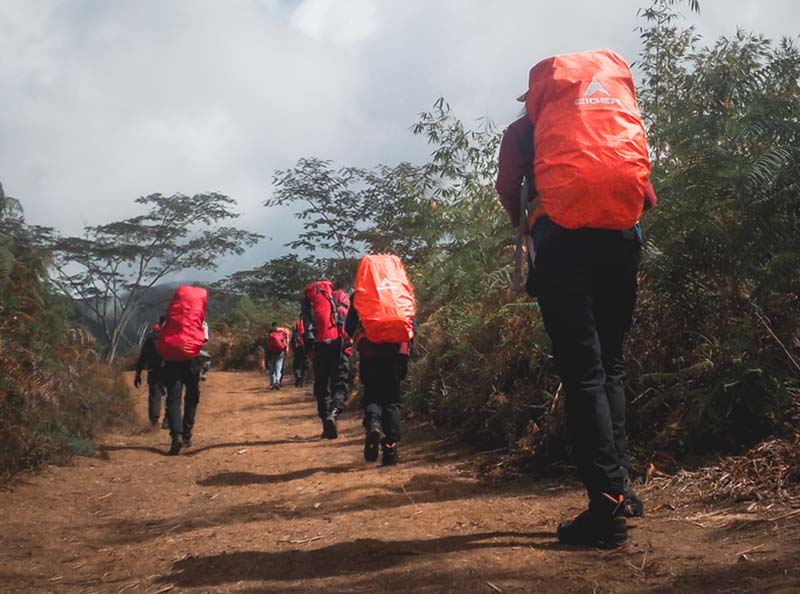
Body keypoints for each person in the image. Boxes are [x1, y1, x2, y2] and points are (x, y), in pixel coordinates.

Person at [498, 50, 654, 548]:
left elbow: (508, 188)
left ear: (540, 93)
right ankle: (622, 488)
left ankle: (604, 503)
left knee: (584, 371)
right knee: (612, 365)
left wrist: (530, 226)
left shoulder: (525, 130)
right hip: (621, 241)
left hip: (563, 245)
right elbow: (645, 192)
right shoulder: (613, 114)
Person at [347, 254, 417, 466]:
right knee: (393, 401)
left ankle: (374, 424)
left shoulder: (361, 293)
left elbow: (348, 327)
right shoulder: (402, 290)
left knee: (373, 395)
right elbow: (412, 325)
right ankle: (390, 451)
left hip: (370, 352)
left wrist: (356, 340)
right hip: (398, 352)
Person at [157, 285, 208, 455]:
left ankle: (176, 435)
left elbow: (161, 337)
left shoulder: (171, 317)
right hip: (191, 361)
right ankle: (186, 434)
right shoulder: (198, 320)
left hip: (171, 361)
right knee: (192, 397)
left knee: (173, 399)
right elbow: (203, 339)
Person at [301, 280, 347, 439]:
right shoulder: (337, 297)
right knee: (339, 384)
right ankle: (334, 413)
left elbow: (306, 331)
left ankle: (325, 424)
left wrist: (310, 354)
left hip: (319, 347)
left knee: (322, 386)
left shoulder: (309, 302)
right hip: (337, 346)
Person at [134, 317, 166, 428]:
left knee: (154, 395)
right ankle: (169, 419)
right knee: (172, 394)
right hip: (169, 369)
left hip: (154, 370)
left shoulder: (150, 340)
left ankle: (154, 421)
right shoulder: (172, 337)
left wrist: (138, 374)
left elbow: (142, 358)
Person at [265, 322, 289, 390]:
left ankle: (272, 383)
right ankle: (277, 381)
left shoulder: (270, 333)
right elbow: (285, 342)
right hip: (280, 352)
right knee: (278, 367)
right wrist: (286, 348)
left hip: (271, 352)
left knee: (271, 368)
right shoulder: (282, 332)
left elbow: (267, 344)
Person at [290, 318, 308, 387]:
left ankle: (298, 375)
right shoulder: (307, 327)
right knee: (305, 366)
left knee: (296, 365)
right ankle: (303, 382)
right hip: (305, 349)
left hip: (297, 350)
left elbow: (292, 342)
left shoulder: (295, 331)